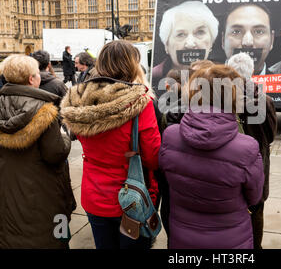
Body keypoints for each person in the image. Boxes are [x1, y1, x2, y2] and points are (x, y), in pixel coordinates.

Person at [60, 40, 161, 249]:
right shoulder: (140, 102)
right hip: (131, 197)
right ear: (132, 65)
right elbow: (153, 156)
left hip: (93, 195)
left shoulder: (78, 100)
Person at [159, 64, 264, 248]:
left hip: (183, 236)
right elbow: (255, 198)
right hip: (231, 239)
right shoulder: (247, 149)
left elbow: (168, 182)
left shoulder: (170, 136)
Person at [0, 55, 75, 248]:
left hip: (8, 189)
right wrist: (63, 136)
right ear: (32, 79)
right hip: (41, 191)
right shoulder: (44, 111)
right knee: (52, 236)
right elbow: (55, 154)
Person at [227, 52, 277, 249]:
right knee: (256, 210)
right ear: (253, 72)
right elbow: (271, 136)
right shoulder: (265, 101)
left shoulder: (224, 99)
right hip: (258, 165)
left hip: (229, 166)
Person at [153, 1, 219, 86]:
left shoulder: (223, 77)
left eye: (200, 32)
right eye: (181, 34)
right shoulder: (154, 77)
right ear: (166, 45)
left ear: (211, 42)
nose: (190, 44)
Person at [222, 4, 274, 75]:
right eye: (236, 32)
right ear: (223, 40)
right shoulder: (206, 83)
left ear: (272, 40)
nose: (247, 42)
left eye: (259, 32)